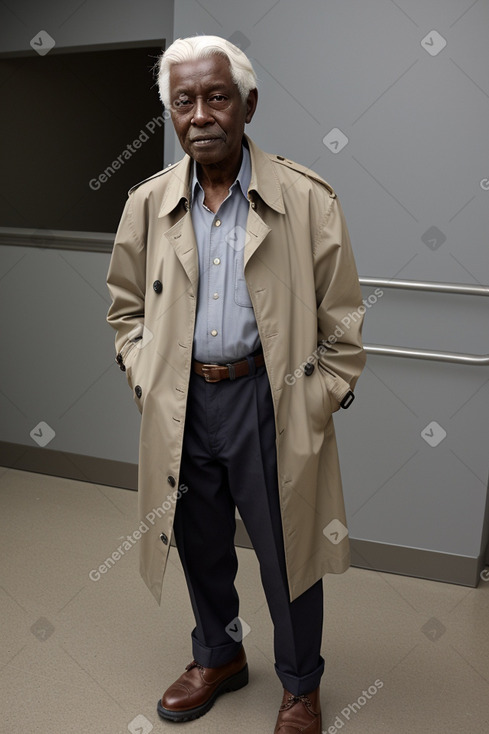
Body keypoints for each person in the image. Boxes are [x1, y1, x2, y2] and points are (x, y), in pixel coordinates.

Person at [107, 35, 366, 734]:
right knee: (198, 542)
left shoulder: (307, 199)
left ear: (247, 104)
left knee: (289, 553)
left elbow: (343, 324)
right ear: (169, 112)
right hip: (183, 402)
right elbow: (124, 310)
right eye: (182, 100)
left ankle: (300, 685)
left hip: (268, 399)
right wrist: (147, 376)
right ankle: (217, 655)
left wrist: (314, 401)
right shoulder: (147, 203)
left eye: (215, 97)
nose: (200, 114)